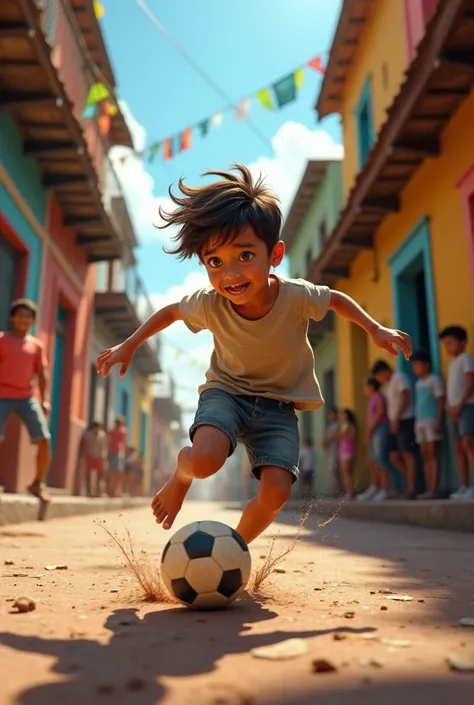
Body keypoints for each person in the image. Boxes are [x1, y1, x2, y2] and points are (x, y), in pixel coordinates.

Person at [97, 164, 412, 544]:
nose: (230, 273)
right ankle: (182, 474)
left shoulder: (296, 295)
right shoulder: (210, 303)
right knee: (205, 460)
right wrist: (129, 344)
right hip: (226, 393)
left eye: (245, 256)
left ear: (274, 254)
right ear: (204, 264)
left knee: (277, 491)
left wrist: (374, 329)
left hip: (279, 407)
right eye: (215, 262)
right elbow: (170, 313)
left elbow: (336, 300)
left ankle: (235, 547)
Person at [0, 299, 51, 502]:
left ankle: (37, 484)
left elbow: (42, 374)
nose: (24, 319)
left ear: (32, 321)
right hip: (1, 395)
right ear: (12, 318)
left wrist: (45, 400)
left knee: (44, 440)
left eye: (28, 316)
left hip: (27, 397)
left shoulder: (36, 346)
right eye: (20, 315)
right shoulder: (2, 340)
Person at [371, 359, 417, 499]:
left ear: (384, 371)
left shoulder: (399, 378)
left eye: (379, 376)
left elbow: (405, 397)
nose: (379, 379)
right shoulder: (389, 385)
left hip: (404, 420)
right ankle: (406, 483)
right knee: (393, 455)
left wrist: (397, 417)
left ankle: (412, 487)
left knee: (407, 454)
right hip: (394, 422)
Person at [438, 326, 474, 500]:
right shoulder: (452, 364)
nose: (447, 348)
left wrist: (460, 404)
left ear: (463, 342)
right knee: (458, 448)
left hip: (466, 406)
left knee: (469, 444)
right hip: (453, 411)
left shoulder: (466, 359)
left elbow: (470, 383)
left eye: (451, 343)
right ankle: (465, 486)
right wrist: (448, 406)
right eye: (445, 344)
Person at [359, 376, 405, 501]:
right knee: (373, 460)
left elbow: (380, 413)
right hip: (374, 431)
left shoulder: (379, 397)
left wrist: (370, 429)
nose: (365, 390)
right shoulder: (372, 399)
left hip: (380, 429)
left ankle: (386, 489)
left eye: (366, 387)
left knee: (381, 459)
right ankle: (376, 487)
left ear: (372, 387)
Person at [411, 350, 445, 499]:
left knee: (432, 454)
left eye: (417, 364)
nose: (415, 368)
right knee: (424, 454)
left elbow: (440, 400)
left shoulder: (434, 380)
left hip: (431, 420)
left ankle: (434, 489)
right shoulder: (418, 383)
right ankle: (428, 489)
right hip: (420, 421)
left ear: (426, 364)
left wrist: (438, 419)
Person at [81, 421, 108, 497]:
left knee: (99, 476)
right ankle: (88, 492)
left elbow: (104, 447)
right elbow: (86, 446)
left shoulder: (102, 435)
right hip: (90, 456)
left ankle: (97, 492)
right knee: (88, 475)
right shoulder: (88, 435)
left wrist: (103, 456)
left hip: (99, 458)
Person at [320, 406, 341, 495]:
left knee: (334, 472)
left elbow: (337, 437)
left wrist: (327, 441)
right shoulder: (331, 426)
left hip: (336, 451)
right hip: (329, 452)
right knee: (330, 473)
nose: (330, 416)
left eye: (332, 414)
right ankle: (337, 493)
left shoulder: (338, 425)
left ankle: (340, 493)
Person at [337, 409, 357, 499]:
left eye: (344, 415)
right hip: (343, 451)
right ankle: (349, 492)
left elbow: (349, 437)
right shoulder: (343, 425)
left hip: (348, 451)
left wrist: (337, 434)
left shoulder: (350, 426)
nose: (342, 417)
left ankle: (351, 492)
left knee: (347, 472)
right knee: (345, 473)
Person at [107, 417, 127, 497]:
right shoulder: (123, 431)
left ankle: (112, 491)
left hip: (112, 452)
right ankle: (115, 491)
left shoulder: (112, 431)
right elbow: (123, 442)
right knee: (118, 474)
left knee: (112, 473)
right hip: (118, 452)